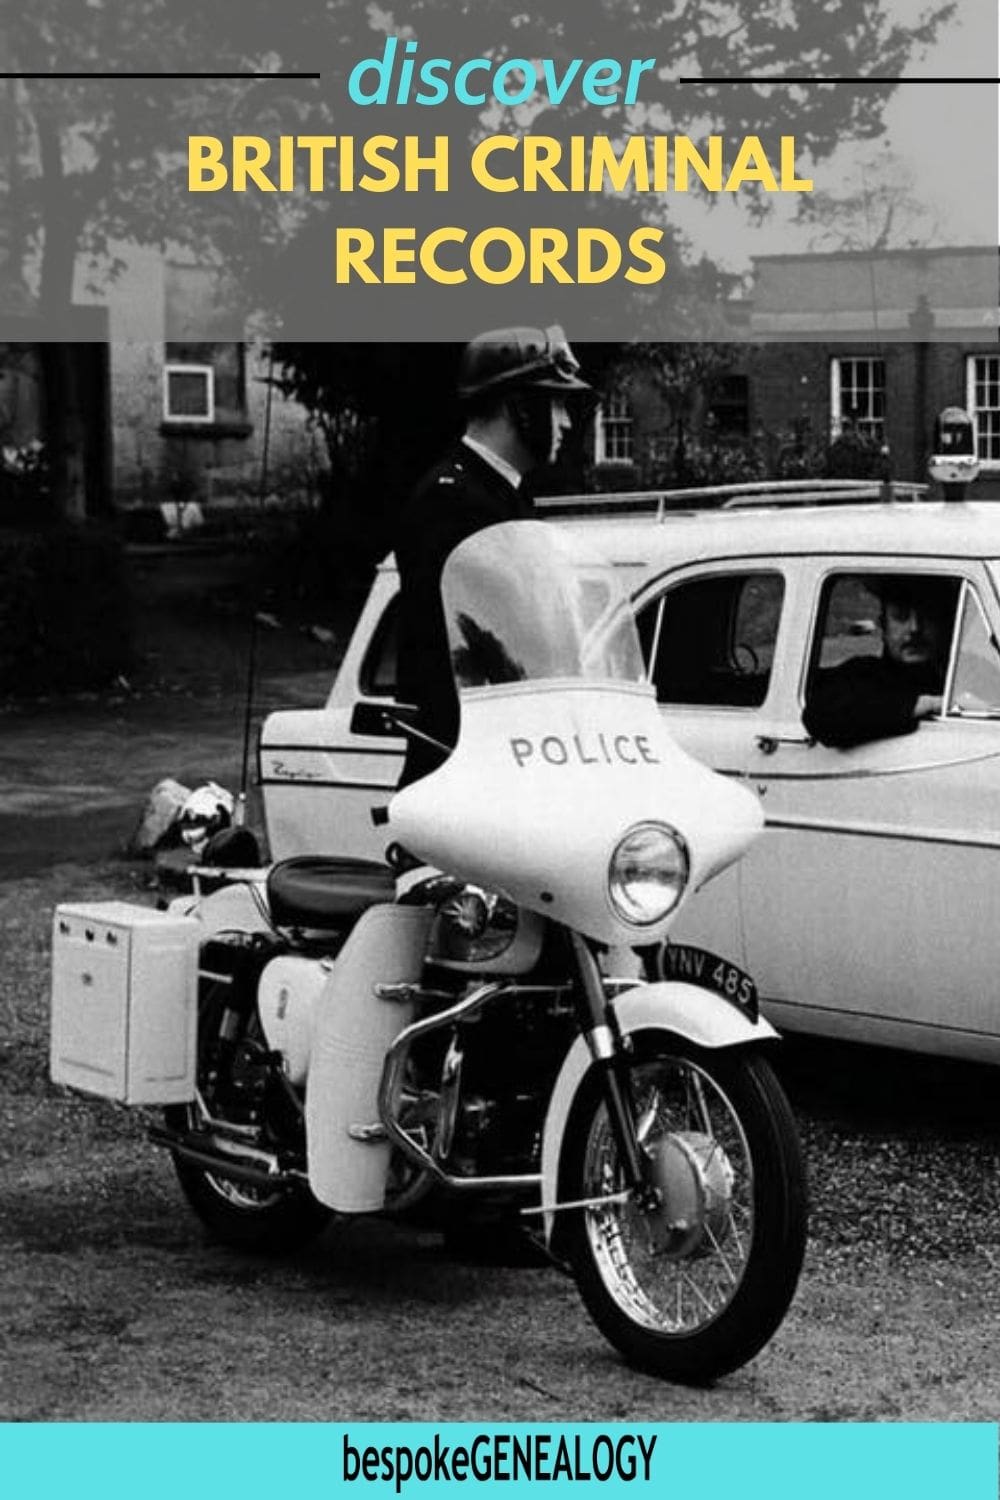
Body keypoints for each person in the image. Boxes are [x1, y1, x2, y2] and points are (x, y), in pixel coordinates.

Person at [393, 325, 591, 788]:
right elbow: (472, 649)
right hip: (465, 770)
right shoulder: (453, 500)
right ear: (518, 407)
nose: (565, 422)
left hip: (506, 760)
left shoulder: (499, 494)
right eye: (556, 403)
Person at [803, 576, 956, 749]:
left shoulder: (969, 673)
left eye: (927, 614)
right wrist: (927, 704)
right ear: (884, 626)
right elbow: (820, 717)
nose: (914, 628)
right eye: (901, 616)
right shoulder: (864, 675)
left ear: (946, 623)